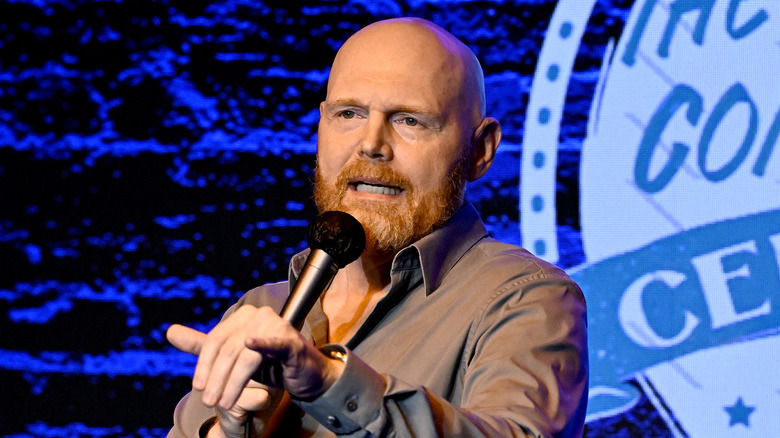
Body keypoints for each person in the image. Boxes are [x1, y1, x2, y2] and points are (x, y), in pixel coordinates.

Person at [166, 17, 588, 438]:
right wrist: (227, 431)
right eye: (349, 113)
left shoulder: (525, 299)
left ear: (480, 150)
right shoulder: (261, 310)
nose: (371, 144)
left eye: (409, 120)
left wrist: (329, 382)